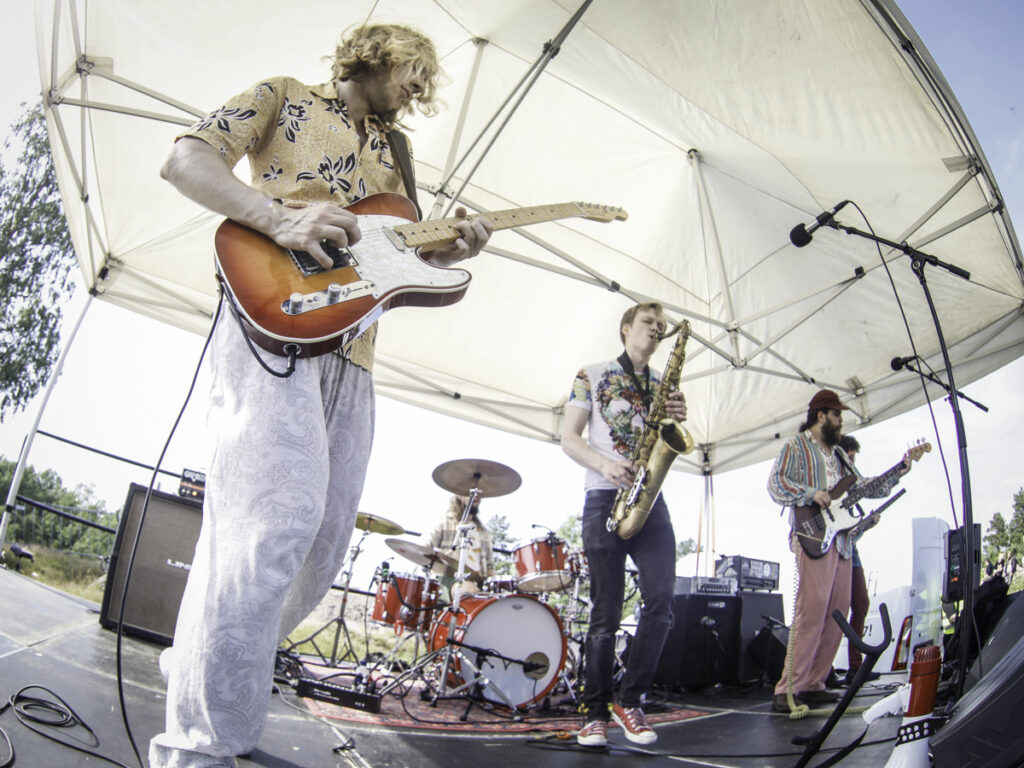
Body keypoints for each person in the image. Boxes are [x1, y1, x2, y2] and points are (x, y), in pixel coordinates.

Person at [149, 24, 492, 768]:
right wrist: (278, 216)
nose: (419, 87)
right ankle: (197, 747)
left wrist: (450, 249)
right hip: (273, 328)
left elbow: (397, 254)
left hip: (355, 356)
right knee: (269, 528)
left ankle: (201, 662)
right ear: (374, 53)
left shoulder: (398, 155)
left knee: (321, 546)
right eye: (413, 69)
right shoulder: (285, 97)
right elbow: (185, 159)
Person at [560, 301, 688, 746]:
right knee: (606, 611)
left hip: (650, 499)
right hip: (604, 495)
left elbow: (666, 436)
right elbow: (568, 438)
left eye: (662, 326)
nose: (657, 329)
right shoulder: (590, 373)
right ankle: (594, 712)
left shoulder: (662, 383)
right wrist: (605, 465)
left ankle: (630, 701)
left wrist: (677, 415)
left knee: (663, 602)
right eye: (649, 322)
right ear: (626, 328)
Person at [767, 389, 910, 713]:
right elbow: (776, 484)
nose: (841, 421)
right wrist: (810, 493)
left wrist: (898, 471)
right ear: (821, 416)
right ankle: (788, 688)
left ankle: (814, 683)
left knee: (838, 611)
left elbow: (861, 487)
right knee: (811, 610)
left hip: (843, 540)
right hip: (813, 535)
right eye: (837, 415)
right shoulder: (796, 446)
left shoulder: (841, 456)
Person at [426, 494, 495, 600]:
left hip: (478, 583)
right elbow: (423, 549)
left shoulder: (484, 532)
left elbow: (490, 568)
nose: (477, 497)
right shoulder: (444, 522)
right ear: (459, 495)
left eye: (478, 494)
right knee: (470, 592)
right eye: (471, 494)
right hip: (448, 579)